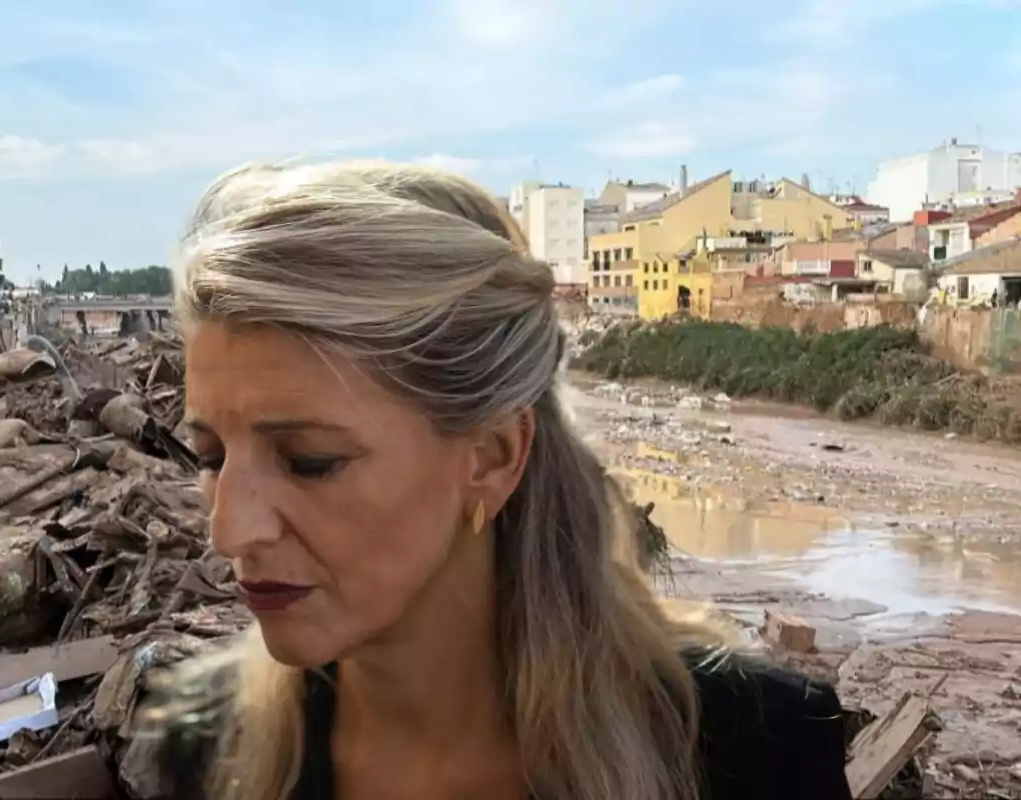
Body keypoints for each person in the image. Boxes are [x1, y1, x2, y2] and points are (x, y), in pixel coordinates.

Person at [141, 161, 851, 800]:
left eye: (308, 461)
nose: (229, 528)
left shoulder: (758, 757)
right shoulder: (206, 750)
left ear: (490, 458)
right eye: (209, 456)